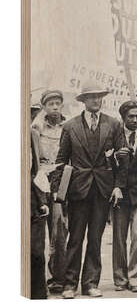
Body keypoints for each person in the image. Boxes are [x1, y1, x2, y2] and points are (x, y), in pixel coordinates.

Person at [51, 81, 121, 299]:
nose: (96, 100)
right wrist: (56, 189)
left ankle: (91, 283)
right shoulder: (70, 126)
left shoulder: (113, 124)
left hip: (102, 189)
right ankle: (69, 284)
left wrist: (118, 186)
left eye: (99, 96)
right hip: (78, 190)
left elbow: (122, 159)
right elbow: (61, 161)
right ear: (83, 100)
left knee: (96, 238)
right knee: (75, 238)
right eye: (91, 96)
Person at [31, 90, 68, 294]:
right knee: (37, 235)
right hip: (39, 182)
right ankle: (36, 280)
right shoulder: (36, 127)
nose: (54, 106)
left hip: (59, 180)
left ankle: (57, 279)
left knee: (59, 231)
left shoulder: (68, 126)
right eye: (50, 103)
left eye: (57, 103)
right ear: (44, 106)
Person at [111, 101, 137, 293]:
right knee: (119, 238)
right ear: (123, 118)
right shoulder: (114, 137)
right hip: (119, 195)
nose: (134, 120)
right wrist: (115, 157)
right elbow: (105, 163)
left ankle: (135, 278)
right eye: (130, 117)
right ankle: (120, 279)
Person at [30, 128, 50, 299]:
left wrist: (42, 201)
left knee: (36, 252)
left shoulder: (33, 135)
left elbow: (37, 171)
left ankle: (38, 296)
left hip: (33, 201)